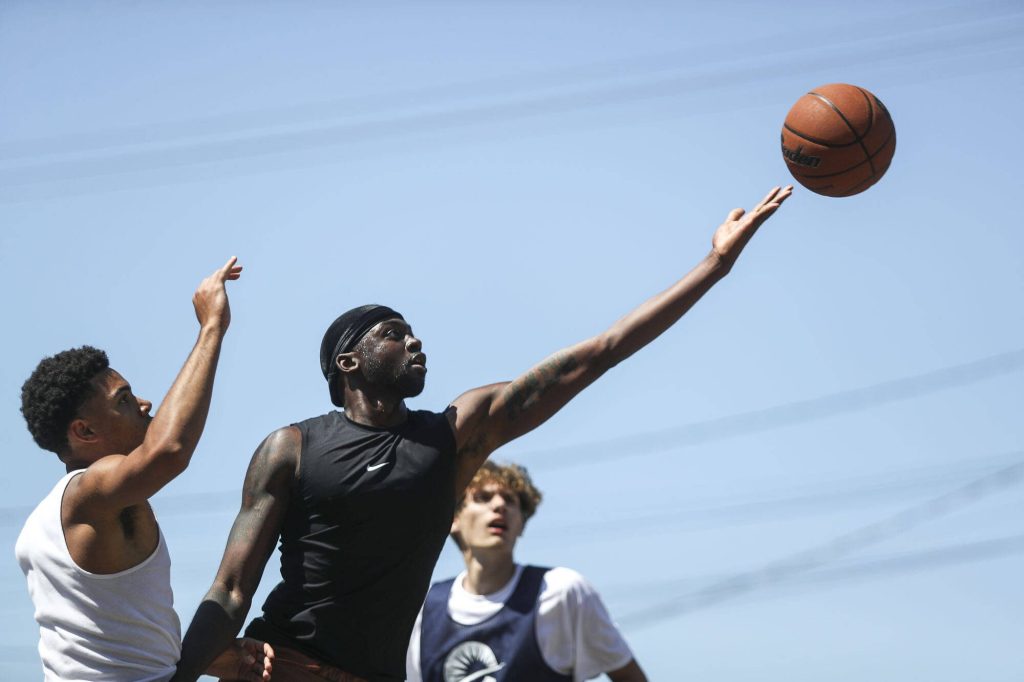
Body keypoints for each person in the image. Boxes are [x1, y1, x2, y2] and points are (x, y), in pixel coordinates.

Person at [173, 186, 792, 682]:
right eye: (393, 333)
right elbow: (230, 589)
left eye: (413, 331)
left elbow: (598, 354)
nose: (414, 340)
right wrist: (180, 673)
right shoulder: (292, 448)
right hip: (284, 667)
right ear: (348, 361)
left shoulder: (452, 436)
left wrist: (715, 264)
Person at [15, 257, 273, 682]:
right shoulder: (87, 492)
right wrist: (211, 327)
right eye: (123, 400)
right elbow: (168, 450)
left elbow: (109, 636)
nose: (144, 404)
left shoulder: (49, 520)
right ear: (84, 431)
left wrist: (206, 658)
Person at [407, 460, 647, 682]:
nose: (499, 505)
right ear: (453, 519)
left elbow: (629, 677)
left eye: (510, 500)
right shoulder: (422, 610)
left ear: (521, 524)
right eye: (483, 497)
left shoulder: (560, 592)